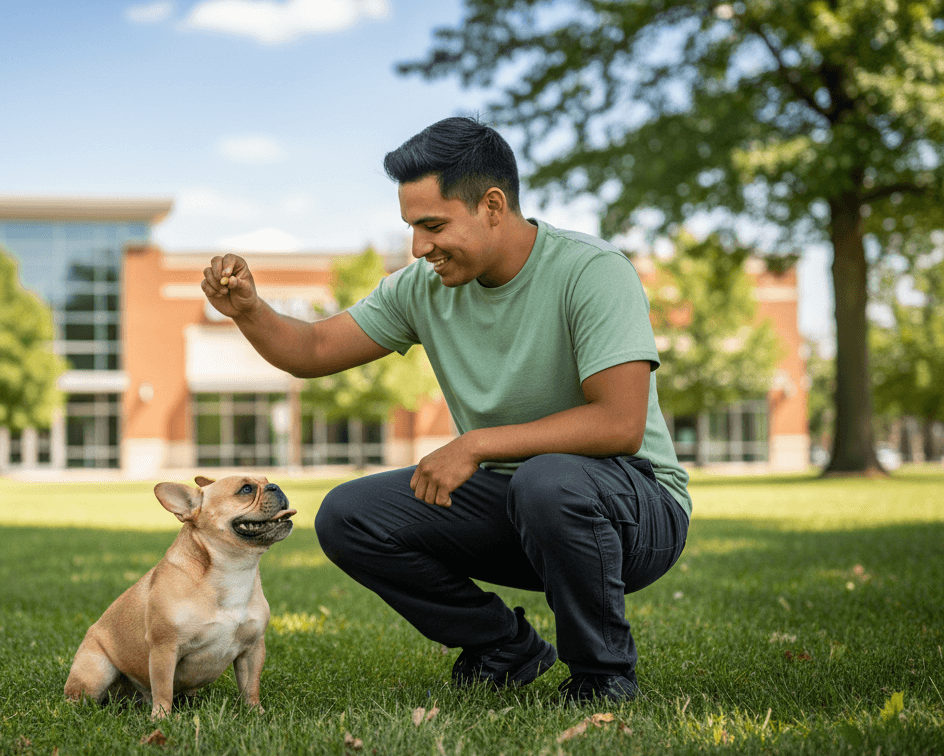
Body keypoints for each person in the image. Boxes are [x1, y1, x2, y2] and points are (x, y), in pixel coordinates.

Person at [200, 116, 690, 705]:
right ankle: (503, 645)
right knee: (349, 516)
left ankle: (602, 675)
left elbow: (619, 423)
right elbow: (314, 349)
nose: (419, 247)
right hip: (520, 503)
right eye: (412, 227)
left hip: (634, 508)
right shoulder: (423, 287)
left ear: (492, 206)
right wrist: (249, 311)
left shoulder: (591, 271)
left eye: (433, 225)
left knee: (547, 480)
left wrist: (475, 444)